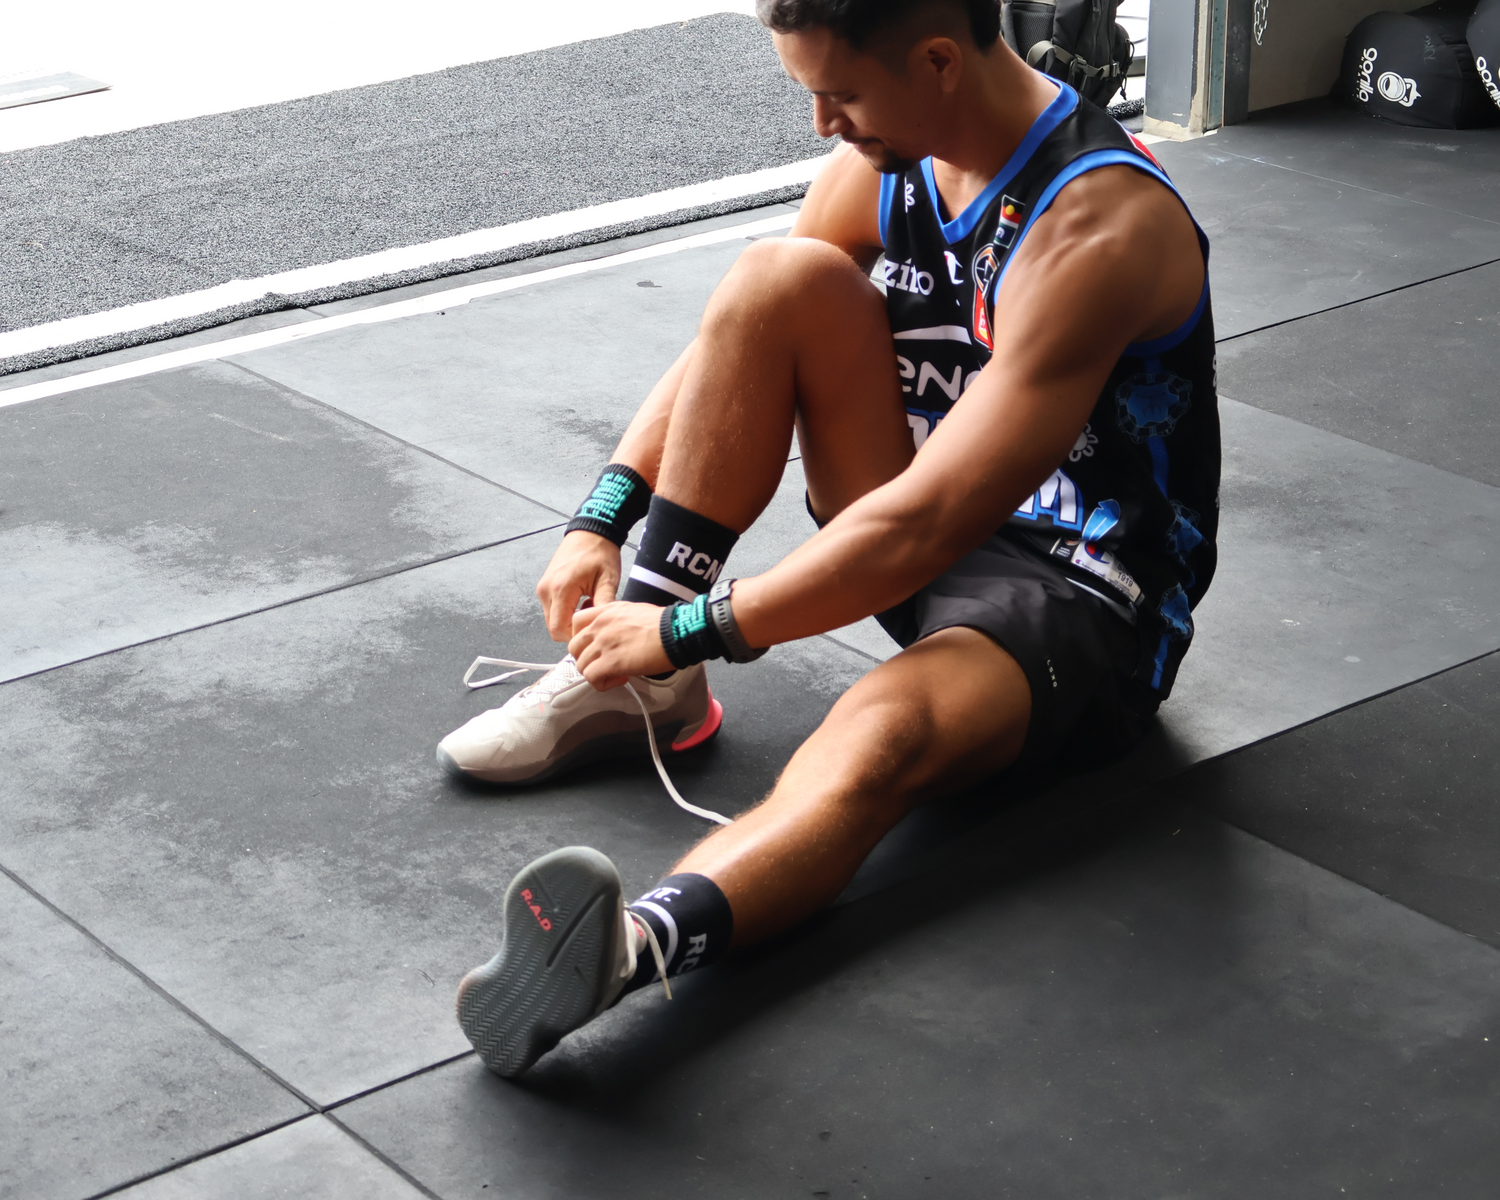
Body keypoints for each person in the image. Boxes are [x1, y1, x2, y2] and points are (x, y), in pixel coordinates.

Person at [438, 0, 1220, 1077]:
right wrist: (602, 517)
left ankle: (625, 949)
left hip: (1081, 593)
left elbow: (924, 523)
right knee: (778, 277)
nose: (820, 125)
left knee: (876, 738)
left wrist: (695, 630)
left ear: (939, 60)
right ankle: (644, 696)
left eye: (840, 95)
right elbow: (732, 343)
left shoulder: (1100, 229)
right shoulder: (889, 160)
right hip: (913, 517)